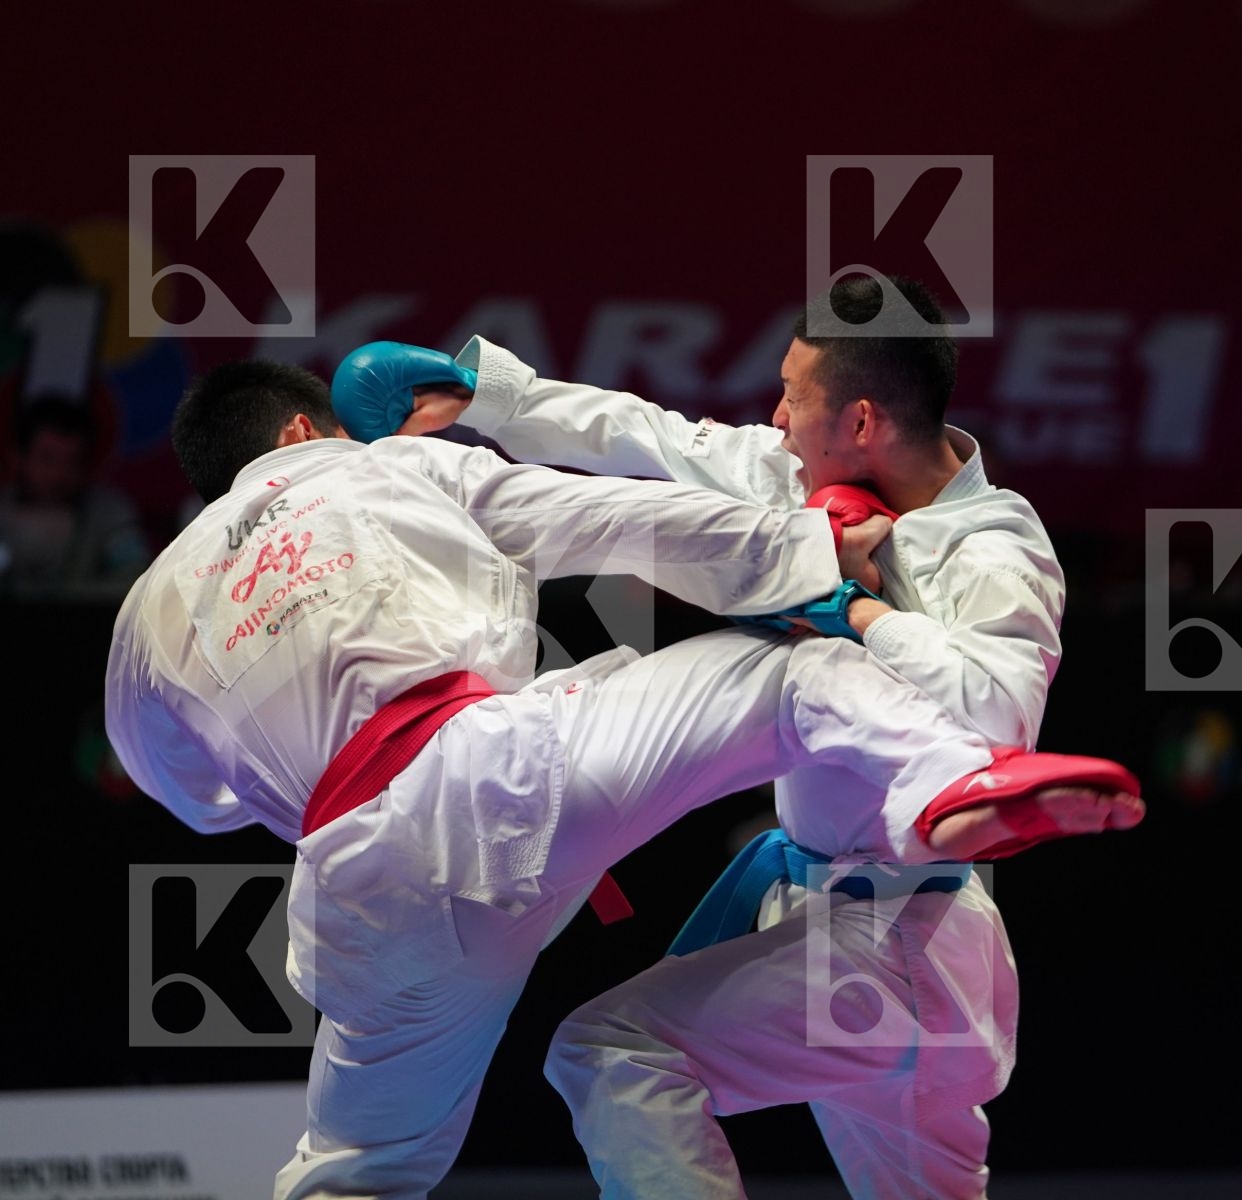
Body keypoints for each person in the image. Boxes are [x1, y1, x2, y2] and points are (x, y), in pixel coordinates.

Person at [106, 359, 1143, 1200]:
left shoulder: (143, 619)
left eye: (794, 397)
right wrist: (810, 560)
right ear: (300, 434)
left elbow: (195, 798)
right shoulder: (371, 470)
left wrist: (487, 388)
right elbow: (605, 517)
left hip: (357, 887)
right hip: (510, 779)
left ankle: (949, 790)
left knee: (356, 1171)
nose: (777, 419)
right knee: (795, 676)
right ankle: (948, 788)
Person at [362, 274, 1128, 1198]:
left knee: (614, 1054)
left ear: (860, 422)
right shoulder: (799, 476)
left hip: (901, 938)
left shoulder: (994, 545)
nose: (773, 416)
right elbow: (649, 434)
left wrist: (866, 617)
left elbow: (1002, 716)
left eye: (794, 397)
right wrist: (489, 396)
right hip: (846, 926)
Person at [0, 396, 148, 599]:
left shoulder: (110, 515)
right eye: (47, 458)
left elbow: (136, 581)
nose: (58, 474)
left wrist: (62, 595)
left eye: (72, 461)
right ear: (18, 458)